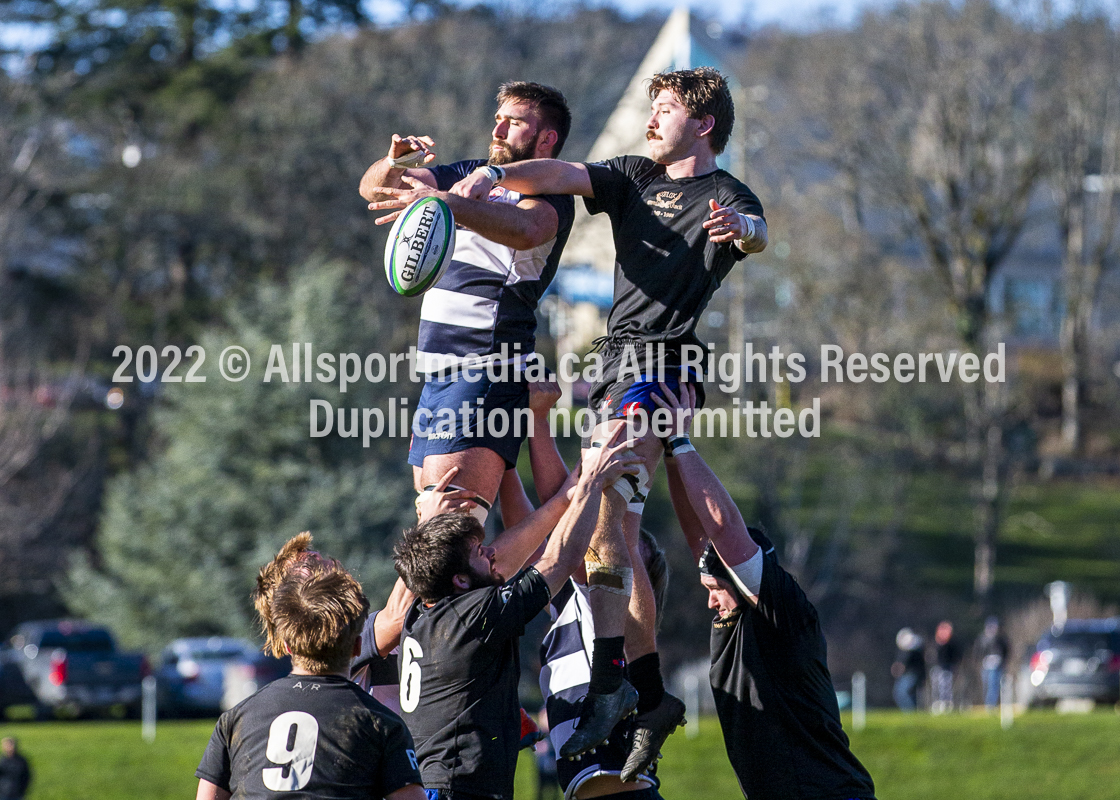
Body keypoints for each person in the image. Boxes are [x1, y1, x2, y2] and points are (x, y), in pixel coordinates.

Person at [439, 66, 767, 767]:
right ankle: (643, 691)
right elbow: (558, 173)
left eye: (668, 108)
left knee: (610, 508)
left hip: (662, 367)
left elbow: (756, 232)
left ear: (703, 124)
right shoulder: (631, 175)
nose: (652, 119)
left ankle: (616, 683)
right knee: (606, 527)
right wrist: (484, 181)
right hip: (615, 364)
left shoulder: (724, 194)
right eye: (652, 106)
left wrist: (743, 230)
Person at [360, 81, 575, 521]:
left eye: (513, 123)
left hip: (485, 367)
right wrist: (394, 163)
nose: (497, 130)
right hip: (438, 372)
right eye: (497, 119)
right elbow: (374, 190)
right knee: (432, 533)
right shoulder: (469, 172)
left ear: (546, 138)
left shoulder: (551, 194)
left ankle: (543, 581)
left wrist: (443, 203)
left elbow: (526, 229)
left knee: (449, 532)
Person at [392, 424, 639, 800]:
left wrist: (563, 498)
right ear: (458, 580)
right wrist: (591, 481)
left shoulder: (420, 616)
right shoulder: (470, 618)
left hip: (437, 786)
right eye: (480, 553)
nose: (492, 553)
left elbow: (503, 557)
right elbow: (560, 559)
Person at [655, 382, 876, 800]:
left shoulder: (784, 611)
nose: (708, 600)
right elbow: (701, 535)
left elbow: (724, 530)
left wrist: (683, 442)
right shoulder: (735, 610)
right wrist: (669, 451)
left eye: (715, 588)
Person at [195, 544, 425, 800]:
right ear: (357, 645)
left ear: (288, 644)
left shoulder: (236, 718)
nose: (328, 562)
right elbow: (396, 617)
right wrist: (430, 528)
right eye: (310, 564)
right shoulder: (379, 721)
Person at [975, 616, 1010, 709]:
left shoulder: (1001, 638)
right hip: (986, 665)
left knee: (993, 684)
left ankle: (991, 704)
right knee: (986, 685)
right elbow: (978, 651)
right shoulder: (982, 638)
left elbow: (1006, 651)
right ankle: (988, 703)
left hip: (997, 665)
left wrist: (1002, 661)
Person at [891, 628, 926, 712]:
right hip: (911, 675)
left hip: (912, 675)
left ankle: (910, 711)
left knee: (901, 693)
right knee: (907, 694)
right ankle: (911, 712)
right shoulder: (915, 649)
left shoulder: (915, 650)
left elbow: (906, 664)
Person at [931, 620, 962, 714]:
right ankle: (937, 703)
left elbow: (957, 656)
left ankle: (946, 704)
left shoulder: (952, 644)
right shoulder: (937, 643)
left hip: (947, 668)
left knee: (946, 687)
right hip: (937, 668)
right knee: (936, 686)